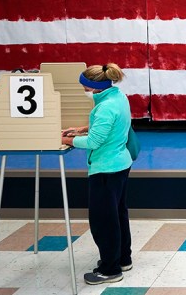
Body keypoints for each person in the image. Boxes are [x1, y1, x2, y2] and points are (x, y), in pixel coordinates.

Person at [62, 63, 133, 285]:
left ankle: (110, 270)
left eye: (85, 88)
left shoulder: (104, 107)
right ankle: (123, 259)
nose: (84, 92)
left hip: (105, 169)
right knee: (118, 214)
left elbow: (94, 142)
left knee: (104, 221)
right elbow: (111, 125)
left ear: (94, 88)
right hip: (120, 164)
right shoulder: (118, 96)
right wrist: (82, 129)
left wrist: (66, 140)